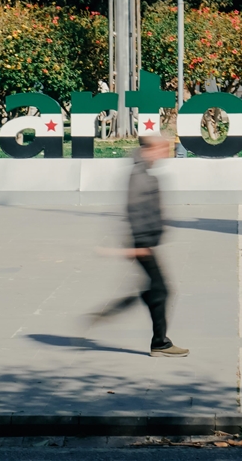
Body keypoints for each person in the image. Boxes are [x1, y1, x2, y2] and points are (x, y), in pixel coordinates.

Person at [93, 136, 189, 358]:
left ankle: (127, 308)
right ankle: (160, 343)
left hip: (145, 242)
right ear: (149, 150)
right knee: (162, 291)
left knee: (155, 289)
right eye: (162, 148)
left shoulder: (144, 174)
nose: (166, 152)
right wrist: (141, 243)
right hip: (142, 243)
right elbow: (134, 210)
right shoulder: (139, 177)